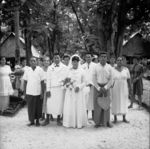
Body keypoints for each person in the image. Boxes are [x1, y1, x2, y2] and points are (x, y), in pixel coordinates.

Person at [63, 56, 88, 128]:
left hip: (78, 92)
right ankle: (70, 123)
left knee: (78, 106)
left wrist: (79, 87)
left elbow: (85, 82)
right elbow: (65, 81)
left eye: (76, 61)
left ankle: (79, 123)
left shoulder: (82, 71)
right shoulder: (68, 71)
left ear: (78, 62)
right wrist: (68, 86)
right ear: (72, 62)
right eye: (73, 61)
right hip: (70, 92)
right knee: (70, 106)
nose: (75, 63)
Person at [46, 53, 68, 126]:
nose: (56, 59)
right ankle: (47, 119)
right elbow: (48, 79)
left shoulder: (64, 67)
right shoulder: (50, 67)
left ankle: (59, 119)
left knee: (59, 104)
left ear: (60, 58)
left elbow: (66, 78)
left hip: (60, 88)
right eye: (55, 58)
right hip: (52, 88)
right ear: (53, 59)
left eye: (57, 58)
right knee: (49, 104)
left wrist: (63, 85)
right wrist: (48, 90)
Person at [23, 57, 45, 126]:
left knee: (38, 107)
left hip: (38, 92)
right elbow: (25, 82)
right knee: (30, 107)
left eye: (34, 61)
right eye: (31, 61)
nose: (33, 62)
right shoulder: (27, 70)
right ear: (29, 62)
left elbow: (42, 82)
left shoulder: (40, 70)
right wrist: (24, 93)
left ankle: (38, 121)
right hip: (29, 92)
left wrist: (42, 93)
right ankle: (31, 121)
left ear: (36, 62)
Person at [93, 52, 113, 128]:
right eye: (102, 56)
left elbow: (111, 79)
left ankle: (107, 122)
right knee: (97, 105)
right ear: (99, 58)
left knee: (106, 104)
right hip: (97, 87)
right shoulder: (95, 67)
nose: (103, 58)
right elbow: (93, 78)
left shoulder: (109, 67)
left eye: (105, 57)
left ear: (107, 58)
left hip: (106, 87)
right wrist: (98, 87)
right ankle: (97, 122)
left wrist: (105, 87)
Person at [111, 57, 131, 123]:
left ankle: (124, 117)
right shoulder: (112, 69)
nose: (119, 61)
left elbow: (128, 79)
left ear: (123, 61)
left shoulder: (126, 69)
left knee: (124, 101)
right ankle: (115, 118)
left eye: (121, 60)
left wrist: (130, 88)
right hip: (115, 88)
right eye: (118, 60)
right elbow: (110, 80)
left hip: (124, 87)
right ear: (116, 61)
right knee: (115, 101)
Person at [82, 52, 97, 119]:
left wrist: (91, 83)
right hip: (85, 86)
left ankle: (94, 116)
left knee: (93, 101)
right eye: (87, 57)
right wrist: (85, 84)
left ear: (91, 58)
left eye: (89, 57)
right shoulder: (82, 66)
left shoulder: (95, 66)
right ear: (85, 58)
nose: (88, 58)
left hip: (93, 86)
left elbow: (96, 76)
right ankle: (86, 116)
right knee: (86, 101)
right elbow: (82, 76)